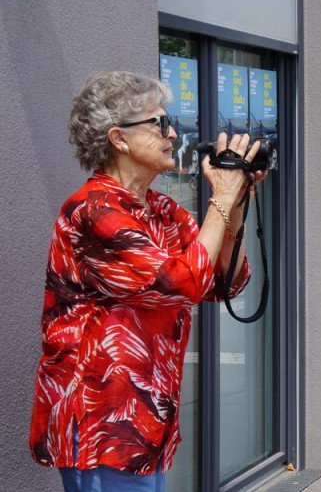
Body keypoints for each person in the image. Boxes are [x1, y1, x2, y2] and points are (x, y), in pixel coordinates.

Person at [29, 70, 267, 491]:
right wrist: (221, 199)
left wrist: (239, 200)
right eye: (158, 124)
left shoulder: (159, 210)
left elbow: (225, 282)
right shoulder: (93, 213)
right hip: (103, 423)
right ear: (119, 139)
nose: (173, 133)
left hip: (148, 419)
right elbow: (181, 283)